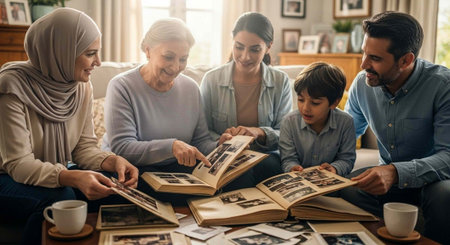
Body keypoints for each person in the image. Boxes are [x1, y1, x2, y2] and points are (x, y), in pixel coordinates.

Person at [0, 8, 139, 244]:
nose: (98, 62)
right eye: (90, 53)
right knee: (62, 196)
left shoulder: (80, 86)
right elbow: (18, 164)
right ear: (61, 51)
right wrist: (73, 177)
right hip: (7, 177)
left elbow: (84, 147)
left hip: (54, 169)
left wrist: (112, 161)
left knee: (115, 186)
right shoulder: (11, 87)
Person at [341, 11, 450, 244]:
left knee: (445, 195)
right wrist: (329, 166)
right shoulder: (363, 84)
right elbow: (346, 137)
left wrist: (396, 171)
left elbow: (448, 156)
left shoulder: (443, 86)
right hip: (388, 180)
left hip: (435, 180)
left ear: (406, 60)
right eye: (364, 53)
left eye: (375, 59)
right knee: (348, 188)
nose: (363, 64)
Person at [102, 18, 230, 203]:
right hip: (133, 171)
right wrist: (172, 146)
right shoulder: (121, 86)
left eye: (183, 59)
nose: (176, 67)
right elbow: (122, 147)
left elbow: (200, 141)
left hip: (175, 171)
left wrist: (219, 146)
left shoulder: (191, 88)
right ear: (147, 50)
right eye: (168, 57)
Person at [200, 12, 292, 187]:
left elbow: (287, 135)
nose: (245, 56)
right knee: (239, 173)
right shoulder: (211, 79)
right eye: (239, 47)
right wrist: (221, 141)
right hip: (223, 156)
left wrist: (260, 132)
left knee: (265, 168)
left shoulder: (281, 81)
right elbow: (202, 132)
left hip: (266, 158)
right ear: (232, 42)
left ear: (268, 47)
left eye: (254, 49)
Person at [279, 62, 356, 177]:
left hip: (330, 181)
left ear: (335, 102)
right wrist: (292, 168)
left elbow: (347, 159)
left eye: (315, 103)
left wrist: (335, 168)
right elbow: (288, 159)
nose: (305, 108)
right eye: (300, 99)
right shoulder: (289, 122)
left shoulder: (346, 122)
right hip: (298, 182)